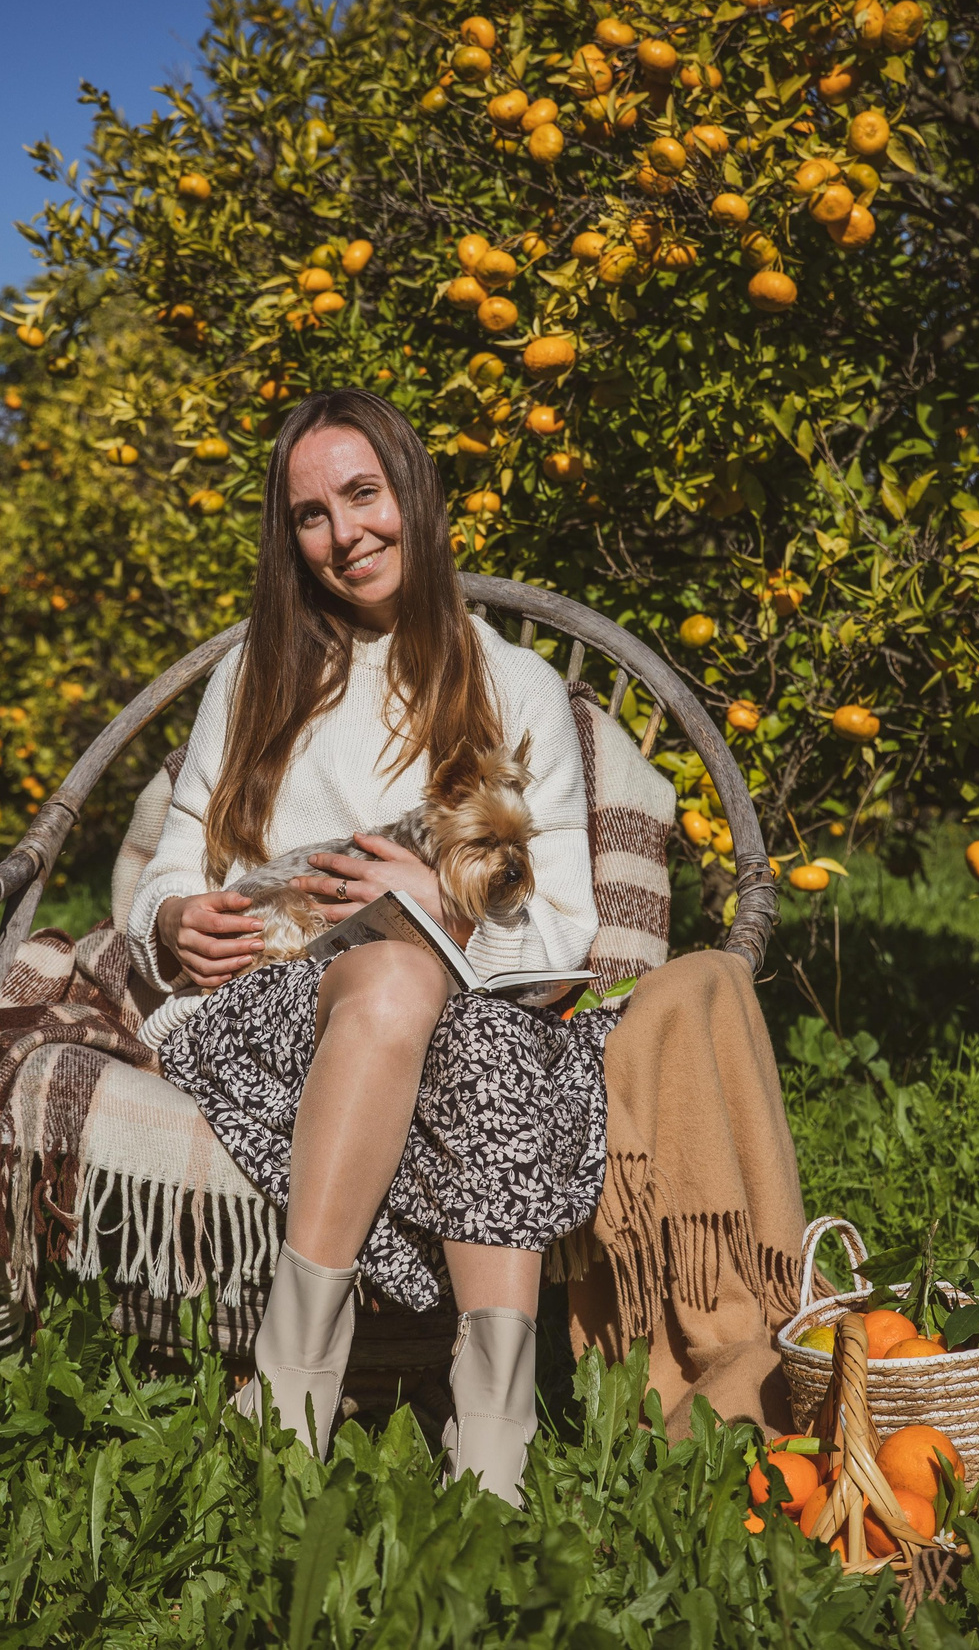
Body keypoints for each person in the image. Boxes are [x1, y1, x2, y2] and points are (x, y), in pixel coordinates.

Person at [124, 388, 612, 1504]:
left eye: (363, 495)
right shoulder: (258, 671)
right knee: (391, 978)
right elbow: (176, 860)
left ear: (416, 496)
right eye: (311, 514)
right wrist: (172, 921)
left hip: (459, 1015)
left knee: (486, 1043)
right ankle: (296, 1378)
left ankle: (492, 1435)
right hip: (269, 1010)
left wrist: (443, 903)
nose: (344, 533)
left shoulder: (517, 688)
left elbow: (567, 929)